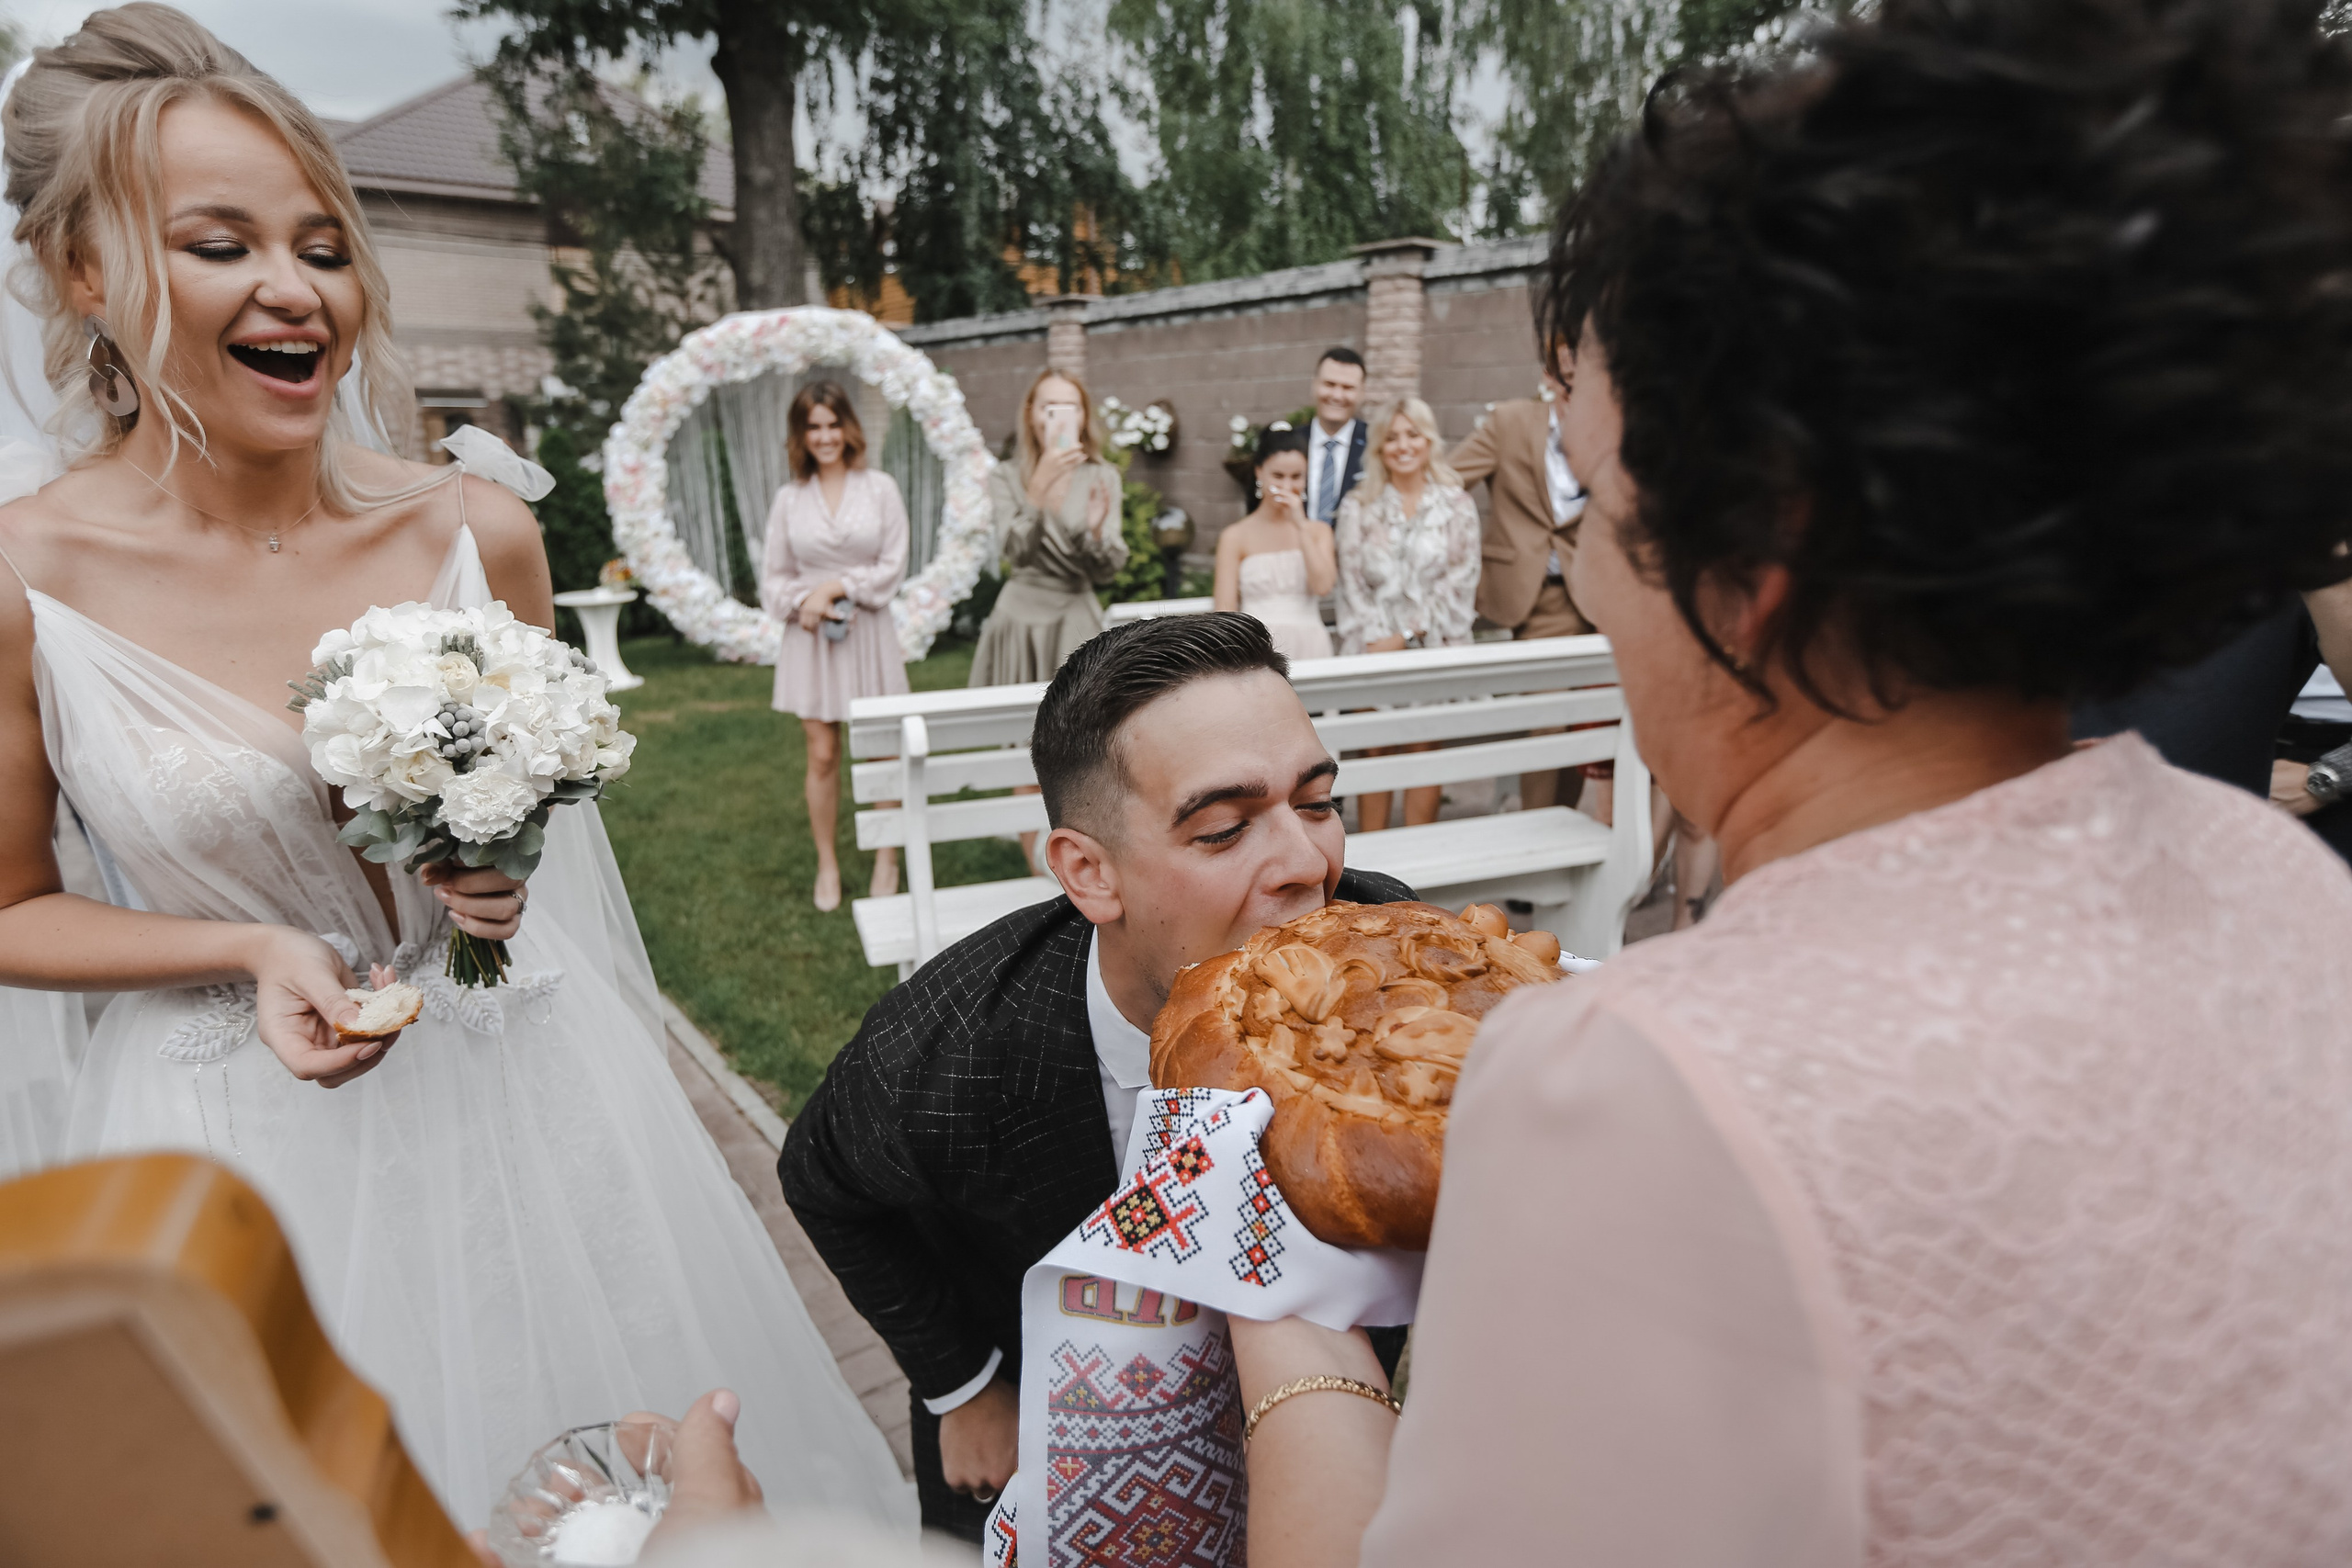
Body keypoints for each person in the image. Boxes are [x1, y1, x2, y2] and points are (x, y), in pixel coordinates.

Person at [1227, 0, 2352, 1562]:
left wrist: (1278, 1323)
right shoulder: (2279, 883)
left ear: (1751, 554)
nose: (1599, 586)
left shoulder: (1632, 1089)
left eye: (1604, 504)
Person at [0, 7, 912, 1532]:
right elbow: (10, 905)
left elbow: (543, 818)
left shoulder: (475, 531)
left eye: (325, 244)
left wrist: (493, 870)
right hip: (236, 1137)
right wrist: (246, 942)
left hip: (532, 1098)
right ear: (88, 274)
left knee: (640, 1497)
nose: (297, 289)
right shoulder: (28, 579)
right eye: (222, 244)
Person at [778, 613, 1413, 1543]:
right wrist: (962, 1383)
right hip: (1036, 1437)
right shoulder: (942, 1056)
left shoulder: (1401, 963)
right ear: (1089, 872)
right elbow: (817, 1179)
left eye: (1316, 804)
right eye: (1227, 827)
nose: (1308, 864)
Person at [760, 382, 909, 913]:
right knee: (822, 754)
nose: (824, 436)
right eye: (813, 427)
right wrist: (808, 599)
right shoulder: (789, 499)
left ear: (849, 427)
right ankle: (828, 861)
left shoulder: (880, 489)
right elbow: (773, 580)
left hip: (868, 633)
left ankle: (887, 855)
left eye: (832, 424)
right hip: (811, 640)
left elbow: (892, 566)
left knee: (882, 751)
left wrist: (837, 587)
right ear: (801, 435)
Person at [1333, 397, 1480, 830]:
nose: (1403, 445)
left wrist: (1409, 636)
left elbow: (1461, 582)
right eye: (1392, 436)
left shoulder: (1456, 504)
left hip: (1430, 651)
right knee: (1374, 751)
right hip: (1372, 649)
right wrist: (1379, 642)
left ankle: (1420, 879)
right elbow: (1352, 586)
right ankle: (1371, 888)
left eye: (1412, 434)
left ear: (1428, 440)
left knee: (1422, 750)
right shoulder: (1358, 507)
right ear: (1379, 447)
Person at [968, 369, 1125, 688]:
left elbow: (1106, 572)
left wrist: (1094, 534)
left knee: (1080, 725)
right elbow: (1016, 552)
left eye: (1072, 407)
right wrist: (1038, 487)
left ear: (1083, 416)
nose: (1060, 417)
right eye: (1049, 407)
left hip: (1075, 616)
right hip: (1019, 617)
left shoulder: (1103, 477)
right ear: (1030, 415)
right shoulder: (1006, 476)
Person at [1213, 426, 1335, 661]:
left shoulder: (1319, 532)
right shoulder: (1235, 536)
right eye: (1278, 476)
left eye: (1296, 476)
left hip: (1310, 646)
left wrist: (1301, 525)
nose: (1287, 486)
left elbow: (1323, 586)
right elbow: (1224, 611)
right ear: (1259, 473)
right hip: (1257, 649)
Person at [1302, 346, 1367, 525]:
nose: (1337, 396)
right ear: (1314, 385)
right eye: (1329, 384)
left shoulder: (1376, 445)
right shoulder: (1289, 442)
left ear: (1362, 393)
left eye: (1348, 388)